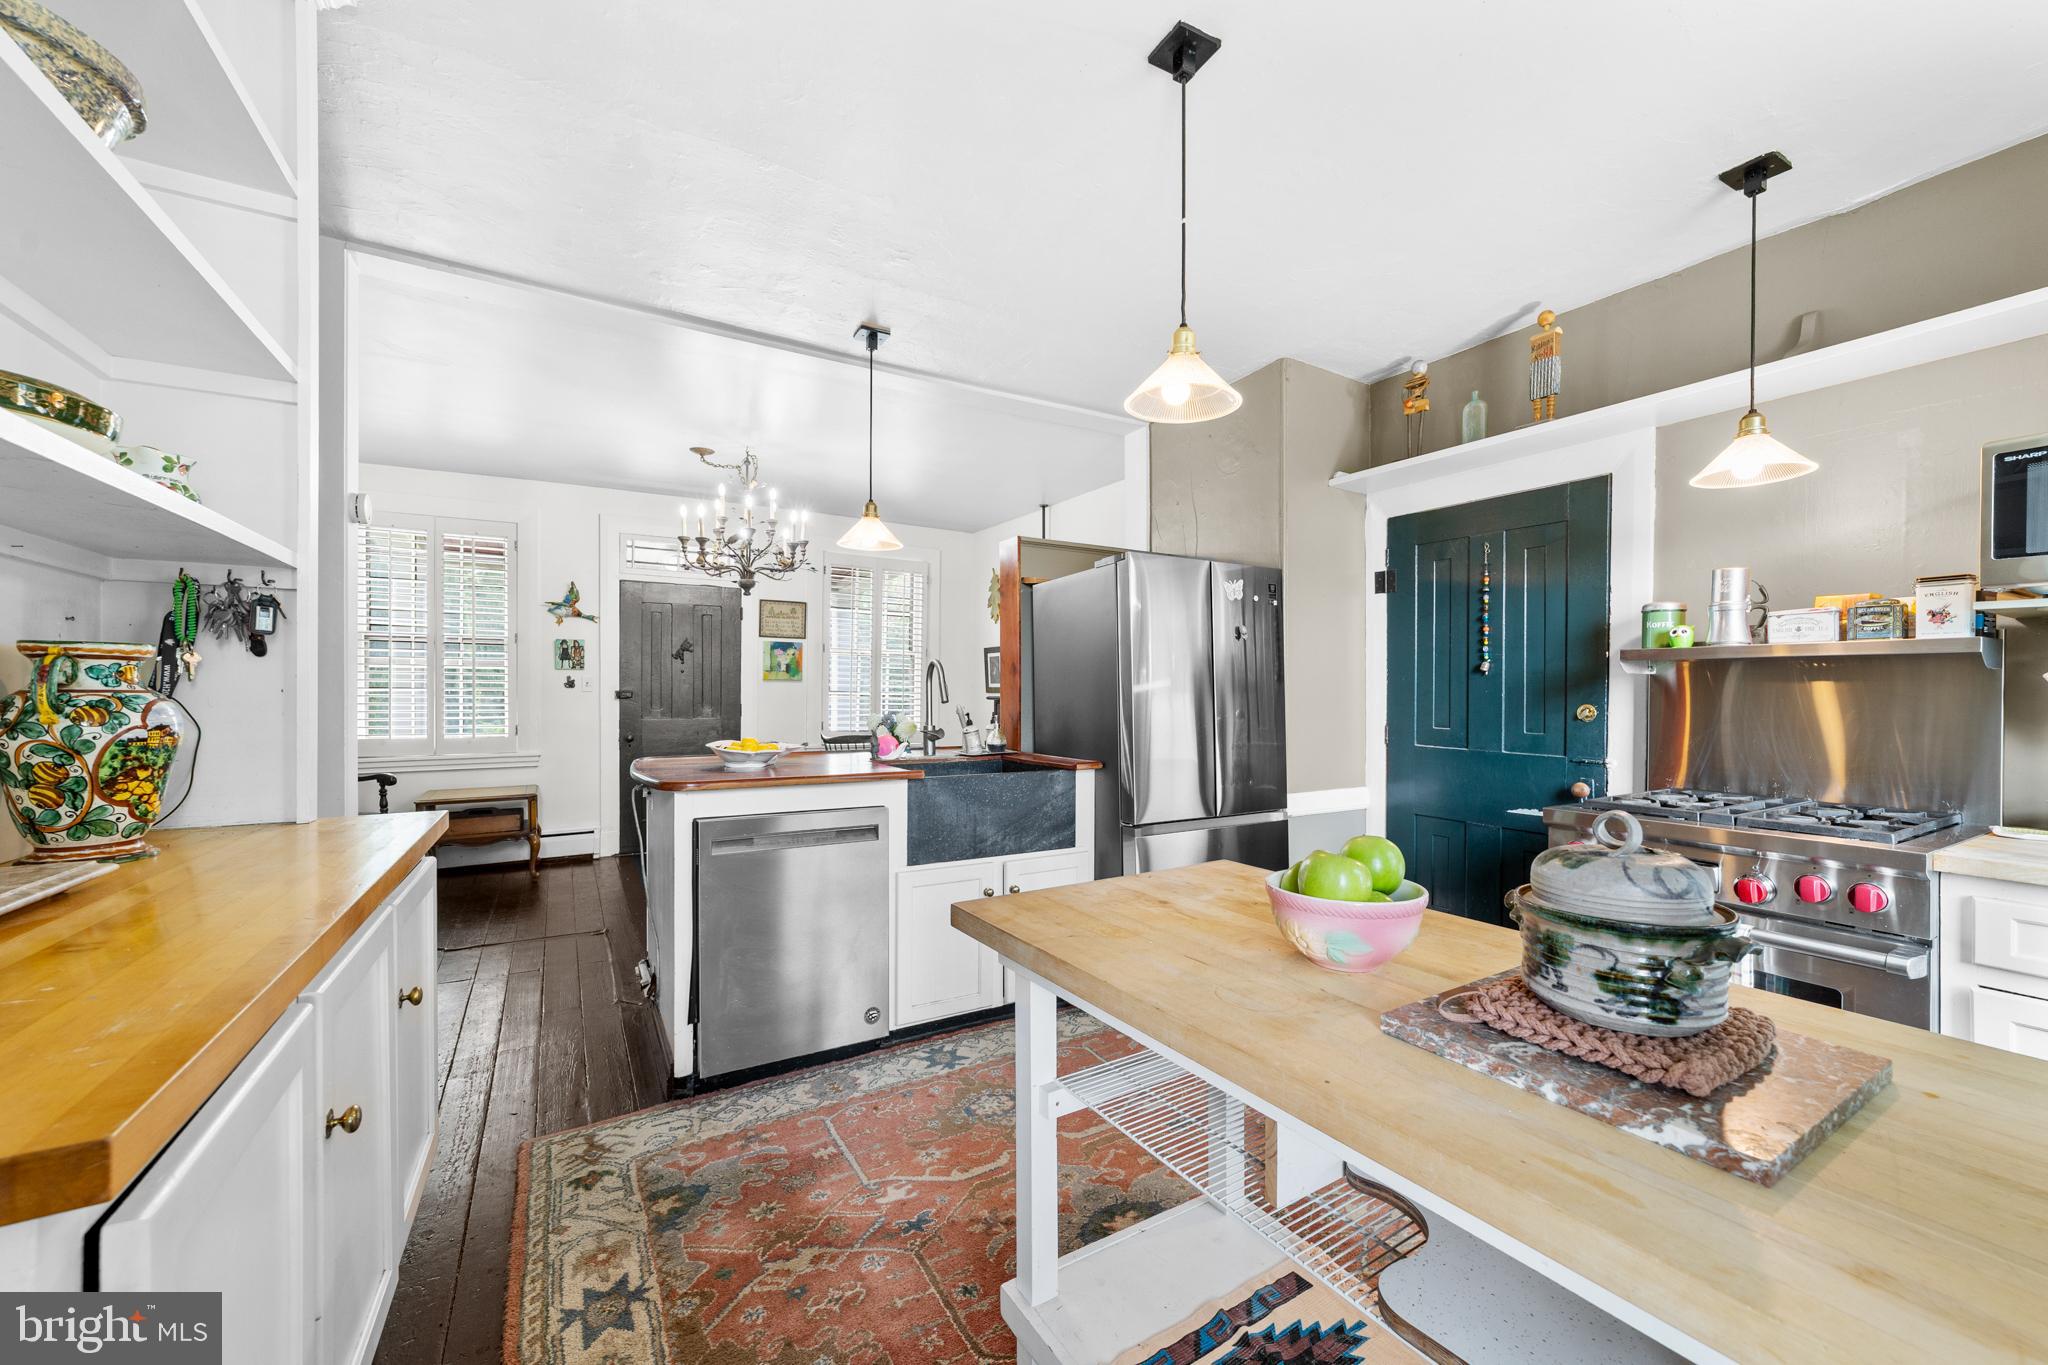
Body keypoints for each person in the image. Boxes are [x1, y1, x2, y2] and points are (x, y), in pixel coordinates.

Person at [1528, 310, 1563, 422]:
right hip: (1538, 366)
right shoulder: (1536, 340)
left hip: (1549, 363)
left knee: (1550, 395)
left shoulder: (1554, 333)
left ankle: (1548, 417)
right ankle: (1538, 419)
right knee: (1538, 398)